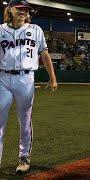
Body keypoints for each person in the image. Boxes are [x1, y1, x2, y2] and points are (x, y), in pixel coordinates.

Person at [0, 0, 57, 174]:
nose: (24, 12)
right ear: (10, 9)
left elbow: (44, 54)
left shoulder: (35, 30)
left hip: (26, 78)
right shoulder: (0, 30)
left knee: (25, 120)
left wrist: (52, 78)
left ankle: (24, 157)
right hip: (3, 77)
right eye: (20, 8)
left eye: (26, 9)